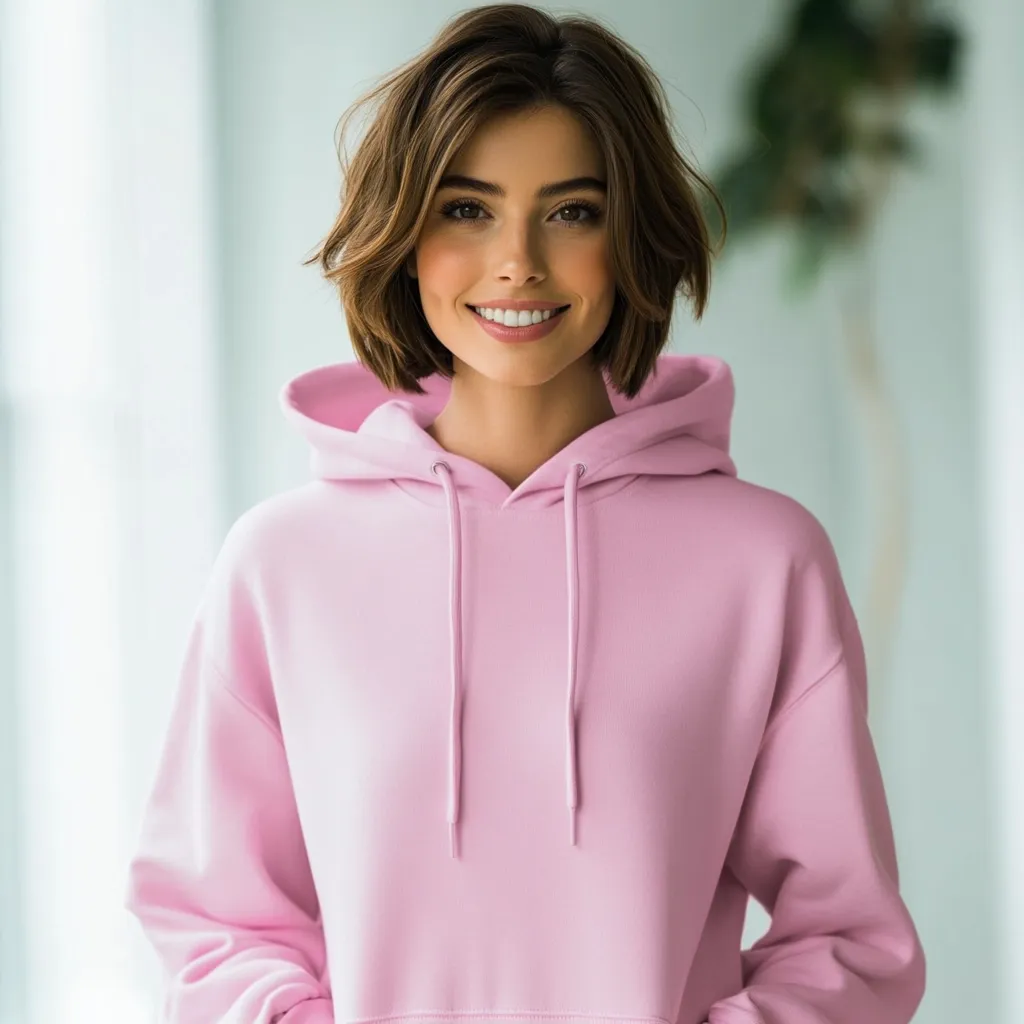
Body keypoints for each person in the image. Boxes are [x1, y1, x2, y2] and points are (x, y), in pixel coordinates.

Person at [123, 5, 927, 1023]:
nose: (517, 263)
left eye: (572, 211)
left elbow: (850, 941)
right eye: (466, 209)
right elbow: (212, 919)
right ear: (405, 231)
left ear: (632, 234)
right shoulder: (280, 565)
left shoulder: (765, 562)